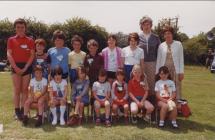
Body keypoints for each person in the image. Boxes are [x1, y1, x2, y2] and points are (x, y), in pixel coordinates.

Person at [7, 18, 35, 120]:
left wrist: (26, 67)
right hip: (15, 66)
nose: (20, 29)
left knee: (24, 90)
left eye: (22, 27)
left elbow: (32, 55)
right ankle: (17, 111)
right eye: (18, 27)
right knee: (17, 90)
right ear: (15, 28)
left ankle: (24, 111)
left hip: (26, 67)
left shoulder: (30, 40)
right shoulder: (11, 40)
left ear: (25, 28)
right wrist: (15, 67)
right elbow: (9, 54)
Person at [156, 25, 184, 99]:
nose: (167, 35)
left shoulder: (178, 44)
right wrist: (157, 72)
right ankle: (167, 105)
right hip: (164, 71)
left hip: (175, 70)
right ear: (164, 35)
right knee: (165, 88)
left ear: (172, 34)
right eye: (165, 34)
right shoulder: (161, 46)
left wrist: (181, 72)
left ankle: (177, 106)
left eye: (169, 33)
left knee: (176, 87)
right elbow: (159, 60)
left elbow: (181, 59)